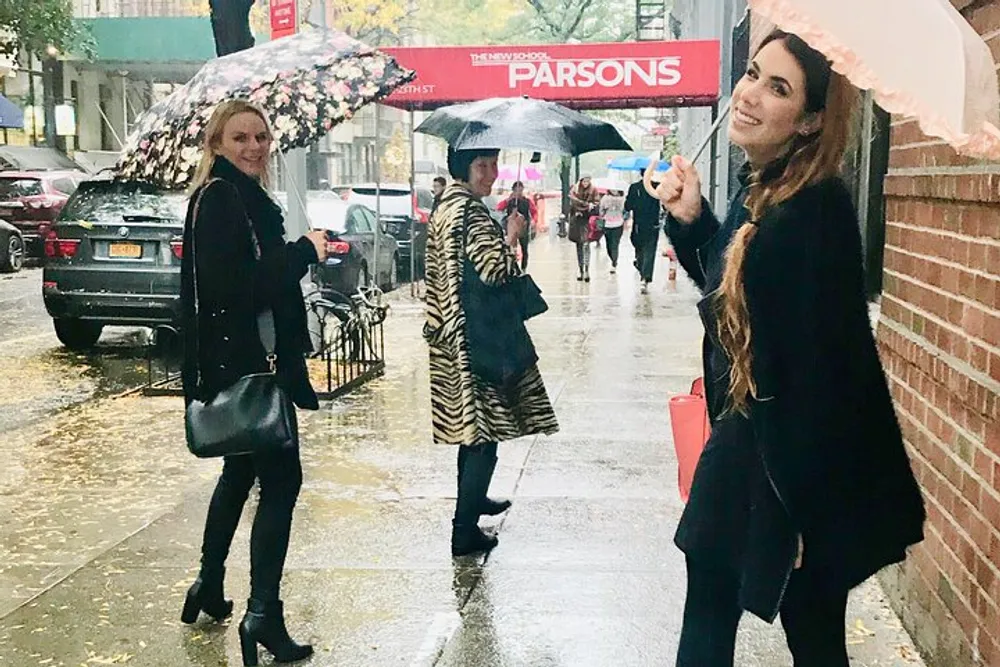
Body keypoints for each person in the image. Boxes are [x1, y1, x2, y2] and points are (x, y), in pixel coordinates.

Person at [655, 31, 926, 666]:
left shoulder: (815, 213)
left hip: (790, 465)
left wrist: (801, 509)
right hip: (747, 448)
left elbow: (824, 375)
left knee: (811, 629)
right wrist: (692, 218)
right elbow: (737, 307)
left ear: (807, 121)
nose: (748, 94)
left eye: (777, 88)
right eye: (752, 74)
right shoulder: (766, 192)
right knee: (712, 619)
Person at [179, 100, 328, 667]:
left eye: (262, 137)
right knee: (282, 481)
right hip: (250, 365)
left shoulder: (234, 197)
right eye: (240, 137)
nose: (254, 147)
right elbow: (235, 289)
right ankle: (264, 614)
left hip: (242, 362)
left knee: (239, 469)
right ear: (216, 143)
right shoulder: (222, 200)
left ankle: (209, 584)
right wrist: (303, 254)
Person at [423, 146, 559, 557]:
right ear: (464, 168)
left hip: (451, 334)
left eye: (494, 164)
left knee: (472, 429)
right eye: (482, 166)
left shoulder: (445, 206)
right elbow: (494, 271)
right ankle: (464, 532)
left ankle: (474, 499)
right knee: (485, 437)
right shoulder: (474, 213)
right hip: (480, 340)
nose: (491, 173)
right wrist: (512, 235)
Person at [625, 171, 661, 293]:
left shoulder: (656, 187)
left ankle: (644, 278)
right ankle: (643, 272)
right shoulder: (638, 188)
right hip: (643, 225)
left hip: (645, 225)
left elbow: (627, 205)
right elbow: (628, 205)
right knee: (644, 251)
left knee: (646, 251)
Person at [496, 180, 537, 270]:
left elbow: (534, 212)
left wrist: (534, 221)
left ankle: (523, 268)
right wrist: (508, 200)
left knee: (524, 249)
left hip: (523, 227)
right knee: (511, 248)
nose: (519, 192)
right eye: (517, 190)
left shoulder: (526, 201)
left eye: (520, 190)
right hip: (512, 228)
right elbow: (499, 207)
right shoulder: (510, 201)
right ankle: (512, 267)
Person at [569, 176, 600, 282]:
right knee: (579, 245)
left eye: (588, 181)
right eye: (584, 181)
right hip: (577, 220)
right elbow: (571, 204)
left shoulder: (594, 190)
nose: (586, 183)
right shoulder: (574, 190)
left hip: (588, 220)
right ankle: (580, 269)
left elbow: (597, 204)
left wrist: (591, 206)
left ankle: (587, 270)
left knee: (586, 245)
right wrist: (577, 209)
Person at [598, 187, 626, 273]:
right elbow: (601, 211)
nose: (614, 191)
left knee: (615, 244)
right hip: (607, 224)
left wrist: (623, 217)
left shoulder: (623, 199)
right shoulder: (605, 198)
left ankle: (614, 263)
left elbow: (626, 211)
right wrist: (605, 210)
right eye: (612, 189)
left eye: (616, 189)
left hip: (618, 224)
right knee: (608, 245)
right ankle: (612, 259)